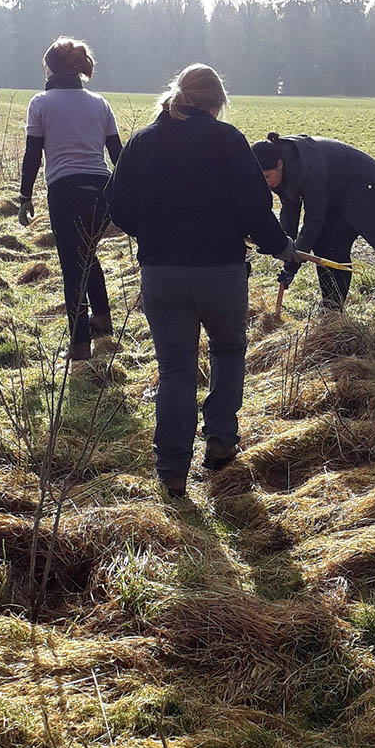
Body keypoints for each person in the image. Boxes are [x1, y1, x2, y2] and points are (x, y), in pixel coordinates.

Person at [104, 64, 299, 498]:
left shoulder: (142, 142)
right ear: (215, 104)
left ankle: (172, 470)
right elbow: (254, 209)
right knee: (229, 351)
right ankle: (221, 443)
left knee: (175, 370)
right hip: (222, 273)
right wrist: (280, 246)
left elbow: (116, 207)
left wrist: (152, 231)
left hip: (162, 273)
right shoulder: (227, 140)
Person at [18, 36, 121, 362]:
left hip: (65, 192)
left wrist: (24, 196)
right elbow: (118, 155)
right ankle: (103, 323)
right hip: (101, 192)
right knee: (87, 254)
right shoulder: (100, 103)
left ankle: (79, 347)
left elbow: (33, 153)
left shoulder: (40, 103)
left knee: (72, 266)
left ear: (50, 69)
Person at [250, 132, 375, 310]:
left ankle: (333, 308)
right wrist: (285, 246)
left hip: (371, 191)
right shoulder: (282, 168)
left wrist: (294, 261)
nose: (264, 183)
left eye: (267, 177)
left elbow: (314, 218)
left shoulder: (308, 168)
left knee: (334, 244)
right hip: (339, 193)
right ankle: (329, 301)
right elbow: (290, 210)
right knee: (321, 243)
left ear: (280, 164)